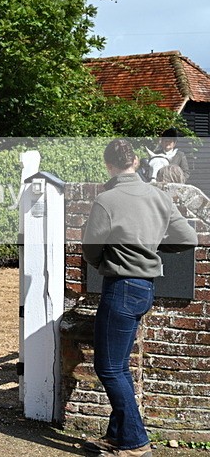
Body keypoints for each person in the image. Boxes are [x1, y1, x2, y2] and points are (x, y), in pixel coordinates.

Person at [82, 139, 197, 457]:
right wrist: (152, 250)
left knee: (108, 369)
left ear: (110, 165)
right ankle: (117, 436)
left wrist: (109, 259)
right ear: (136, 162)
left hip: (120, 288)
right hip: (146, 288)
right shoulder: (159, 195)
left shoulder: (107, 199)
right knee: (119, 367)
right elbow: (188, 238)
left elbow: (91, 249)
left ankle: (135, 443)